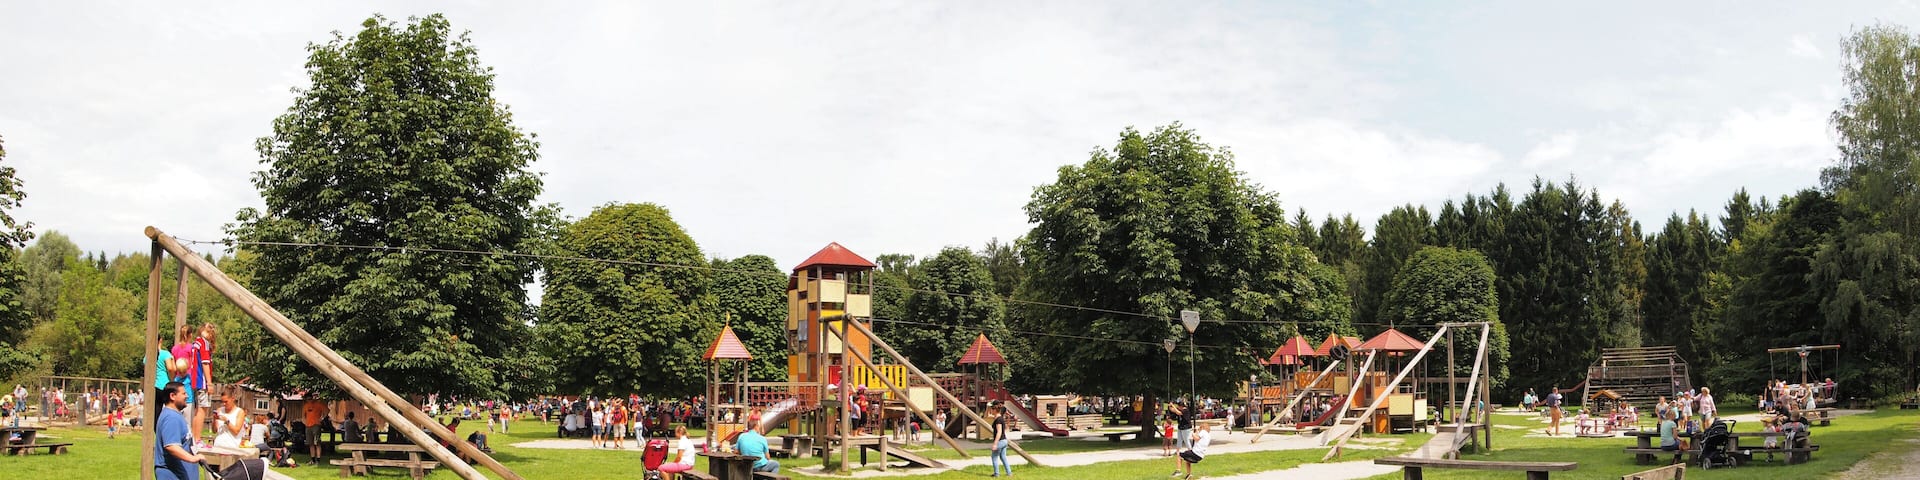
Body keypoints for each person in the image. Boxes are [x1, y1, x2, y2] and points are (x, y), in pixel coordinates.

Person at [153, 382, 204, 480]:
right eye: (184, 393)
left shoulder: (175, 415)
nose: (187, 396)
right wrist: (193, 458)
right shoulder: (171, 417)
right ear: (172, 396)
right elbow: (171, 446)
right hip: (171, 475)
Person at [991, 403, 1012, 477]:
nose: (991, 411)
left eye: (992, 409)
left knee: (994, 457)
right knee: (1003, 457)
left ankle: (996, 473)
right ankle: (1009, 473)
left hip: (1000, 441)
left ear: (995, 410)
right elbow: (988, 415)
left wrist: (995, 443)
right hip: (1004, 440)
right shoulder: (999, 418)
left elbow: (999, 432)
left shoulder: (998, 420)